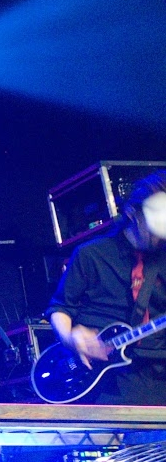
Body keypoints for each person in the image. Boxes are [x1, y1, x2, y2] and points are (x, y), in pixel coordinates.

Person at [46, 170, 166, 404]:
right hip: (102, 378)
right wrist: (71, 338)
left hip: (157, 372)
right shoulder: (91, 254)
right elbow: (60, 308)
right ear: (132, 212)